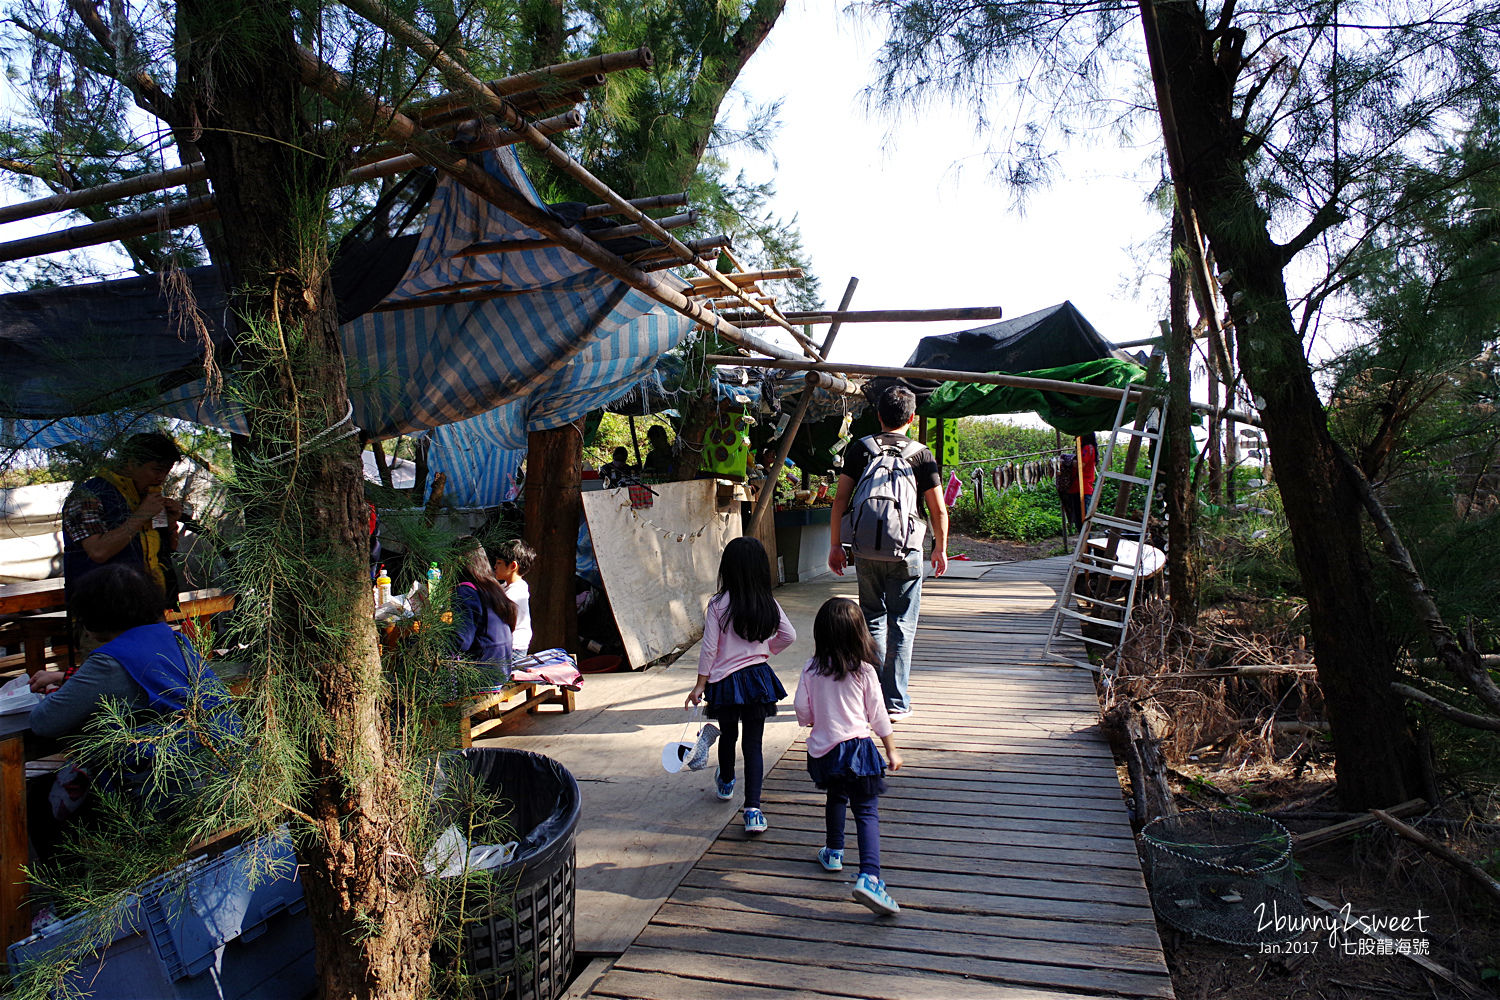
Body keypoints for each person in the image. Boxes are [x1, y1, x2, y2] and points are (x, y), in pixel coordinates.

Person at [29, 564, 239, 827]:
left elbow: (44, 721)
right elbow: (145, 678)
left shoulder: (108, 661)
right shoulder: (173, 640)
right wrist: (65, 677)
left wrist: (56, 689)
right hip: (222, 771)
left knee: (41, 800)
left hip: (163, 793)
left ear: (94, 614)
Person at [827, 385, 948, 720]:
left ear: (879, 415)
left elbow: (840, 501)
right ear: (912, 417)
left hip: (865, 549)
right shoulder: (921, 454)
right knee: (902, 623)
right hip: (907, 548)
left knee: (872, 619)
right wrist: (940, 547)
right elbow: (937, 510)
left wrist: (836, 545)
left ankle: (874, 699)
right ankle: (895, 703)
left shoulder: (860, 449)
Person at [794, 597, 905, 916]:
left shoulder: (812, 668)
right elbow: (879, 715)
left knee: (835, 797)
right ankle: (870, 876)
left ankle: (833, 852)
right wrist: (891, 749)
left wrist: (812, 719)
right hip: (858, 750)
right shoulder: (864, 671)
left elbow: (802, 708)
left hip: (826, 753)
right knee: (867, 811)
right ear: (860, 634)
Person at [685, 536, 795, 834]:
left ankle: (726, 781)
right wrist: (764, 652)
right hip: (758, 679)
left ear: (728, 568)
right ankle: (753, 810)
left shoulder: (718, 604)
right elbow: (789, 636)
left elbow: (709, 648)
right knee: (754, 745)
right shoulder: (767, 602)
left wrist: (699, 685)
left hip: (725, 682)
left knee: (729, 734)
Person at [61, 431, 184, 611]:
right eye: (157, 470)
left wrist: (170, 523)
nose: (161, 478)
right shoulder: (88, 496)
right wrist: (141, 516)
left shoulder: (143, 497)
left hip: (149, 606)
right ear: (131, 463)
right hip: (104, 613)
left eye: (167, 472)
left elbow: (166, 550)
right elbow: (98, 551)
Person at [450, 536, 518, 683]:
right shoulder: (493, 586)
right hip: (502, 671)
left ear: (459, 562)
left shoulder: (465, 591)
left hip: (483, 677)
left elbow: (461, 641)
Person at [493, 538, 536, 656]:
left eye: (499, 563)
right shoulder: (506, 587)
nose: (495, 566)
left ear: (513, 566)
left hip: (513, 649)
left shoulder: (516, 592)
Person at [1058, 433, 1099, 531]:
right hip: (1075, 489)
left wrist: (1068, 461)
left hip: (1083, 489)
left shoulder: (1088, 448)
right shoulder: (1083, 449)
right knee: (1079, 523)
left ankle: (1087, 545)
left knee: (1083, 523)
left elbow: (1081, 465)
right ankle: (1084, 545)